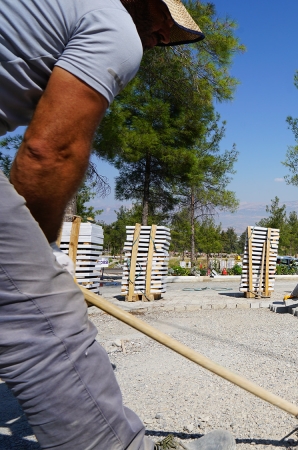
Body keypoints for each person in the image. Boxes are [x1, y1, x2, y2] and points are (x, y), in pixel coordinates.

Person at [0, 1, 234, 448]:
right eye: (165, 23)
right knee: (43, 316)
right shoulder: (114, 25)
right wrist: (42, 253)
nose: (163, 39)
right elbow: (50, 152)